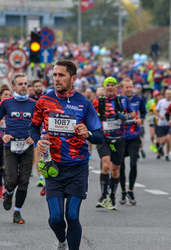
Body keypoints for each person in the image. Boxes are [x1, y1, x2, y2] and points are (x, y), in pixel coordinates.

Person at [30, 60, 104, 250]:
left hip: (77, 168)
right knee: (55, 218)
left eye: (61, 75)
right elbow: (33, 127)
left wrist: (87, 133)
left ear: (73, 78)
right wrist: (37, 139)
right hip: (53, 168)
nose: (56, 79)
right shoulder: (44, 101)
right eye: (54, 75)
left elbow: (100, 137)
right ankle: (61, 240)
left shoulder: (84, 103)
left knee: (72, 215)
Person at [0, 73, 36, 224]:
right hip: (10, 145)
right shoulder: (6, 102)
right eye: (21, 84)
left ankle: (17, 213)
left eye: (25, 83)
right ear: (14, 86)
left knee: (24, 181)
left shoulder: (33, 104)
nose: (24, 86)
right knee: (11, 179)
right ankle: (9, 192)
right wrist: (2, 135)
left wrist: (34, 137)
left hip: (27, 146)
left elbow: (41, 124)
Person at [92, 76, 135, 210]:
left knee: (116, 170)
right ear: (104, 88)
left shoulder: (123, 100)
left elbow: (133, 114)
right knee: (105, 165)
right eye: (107, 85)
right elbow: (90, 116)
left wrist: (126, 116)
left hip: (119, 138)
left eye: (112, 85)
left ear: (116, 87)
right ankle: (103, 195)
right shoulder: (97, 101)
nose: (110, 87)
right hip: (104, 138)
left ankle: (112, 197)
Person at [119, 79, 146, 205]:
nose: (129, 89)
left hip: (134, 136)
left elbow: (144, 112)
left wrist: (141, 118)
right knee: (121, 167)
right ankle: (123, 191)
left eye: (131, 87)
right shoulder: (118, 100)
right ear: (122, 88)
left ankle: (131, 190)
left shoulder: (138, 100)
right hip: (121, 137)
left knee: (134, 164)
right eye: (126, 87)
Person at [155, 89, 171, 161]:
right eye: (168, 94)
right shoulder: (161, 102)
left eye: (170, 94)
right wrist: (160, 116)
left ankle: (167, 154)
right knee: (163, 141)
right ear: (165, 95)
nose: (169, 95)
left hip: (170, 124)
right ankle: (160, 147)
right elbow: (155, 111)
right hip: (161, 123)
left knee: (169, 139)